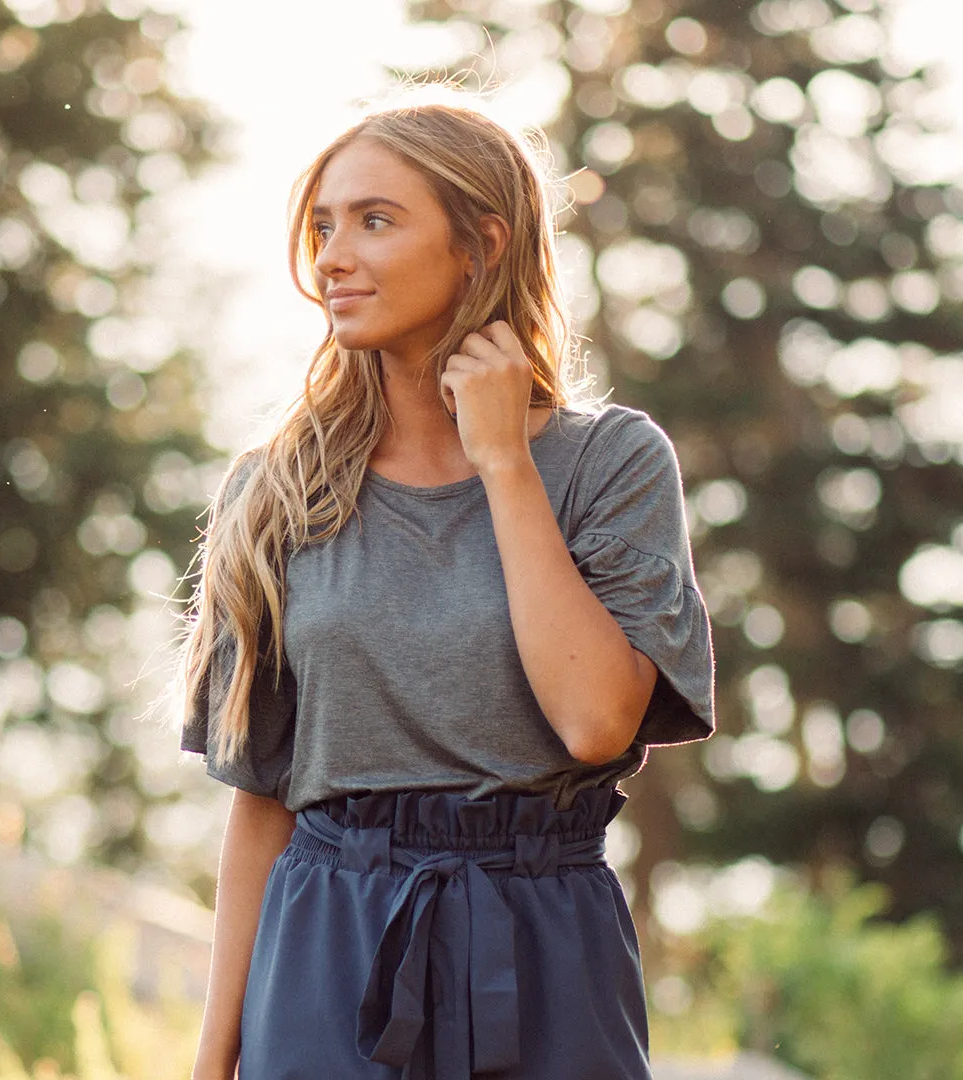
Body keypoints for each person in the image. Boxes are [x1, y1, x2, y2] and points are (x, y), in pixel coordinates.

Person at [179, 97, 714, 1080]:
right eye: (323, 225)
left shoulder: (613, 464)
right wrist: (214, 1061)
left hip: (549, 946)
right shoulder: (275, 489)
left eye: (376, 220)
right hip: (326, 954)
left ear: (482, 243)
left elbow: (597, 722)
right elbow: (262, 800)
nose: (334, 256)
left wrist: (505, 461)